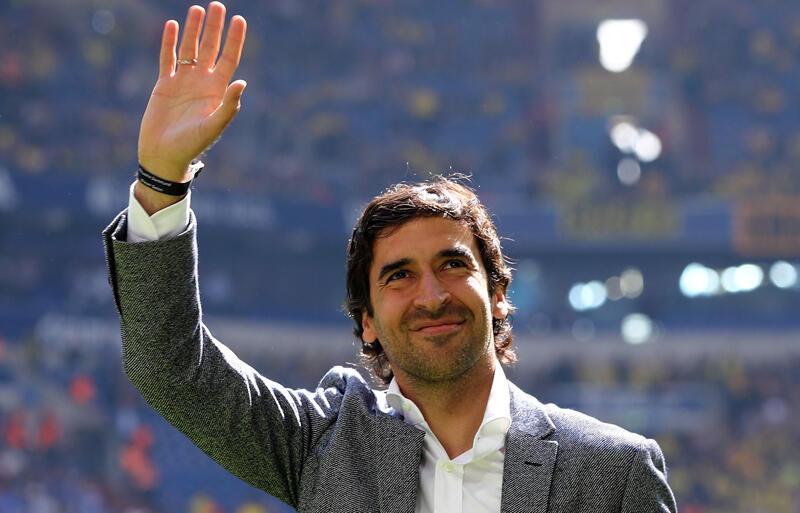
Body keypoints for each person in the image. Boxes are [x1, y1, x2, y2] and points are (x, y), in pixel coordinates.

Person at [102, 3, 677, 512]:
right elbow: (170, 369)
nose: (431, 294)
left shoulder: (612, 473)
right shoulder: (322, 444)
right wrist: (162, 180)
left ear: (499, 292)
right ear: (368, 322)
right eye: (399, 276)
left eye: (453, 264)